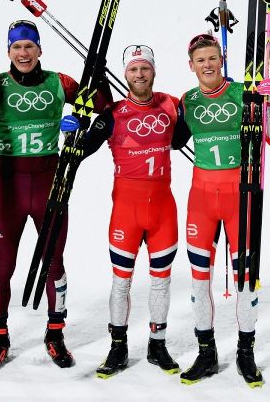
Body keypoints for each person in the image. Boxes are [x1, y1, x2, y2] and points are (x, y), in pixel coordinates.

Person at [0, 20, 112, 373]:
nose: (23, 53)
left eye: (29, 46)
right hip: (10, 186)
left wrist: (98, 78)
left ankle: (55, 335)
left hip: (50, 182)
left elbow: (103, 107)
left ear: (39, 49)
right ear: (8, 51)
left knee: (54, 263)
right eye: (16, 47)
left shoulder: (59, 82)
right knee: (3, 266)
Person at [172, 33, 270, 387]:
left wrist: (269, 103)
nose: (207, 65)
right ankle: (206, 353)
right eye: (200, 60)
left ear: (222, 60)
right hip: (201, 199)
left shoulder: (243, 93)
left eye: (212, 58)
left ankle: (245, 354)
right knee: (198, 279)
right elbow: (171, 140)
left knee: (245, 279)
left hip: (240, 195)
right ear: (191, 66)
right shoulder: (187, 101)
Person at [69, 45, 182, 378]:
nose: (139, 74)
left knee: (161, 281)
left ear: (154, 71)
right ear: (125, 74)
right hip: (126, 213)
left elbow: (187, 137)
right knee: (121, 282)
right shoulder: (112, 114)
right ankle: (117, 347)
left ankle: (157, 345)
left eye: (145, 68)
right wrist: (74, 128)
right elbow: (80, 151)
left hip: (163, 211)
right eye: (133, 69)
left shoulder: (172, 105)